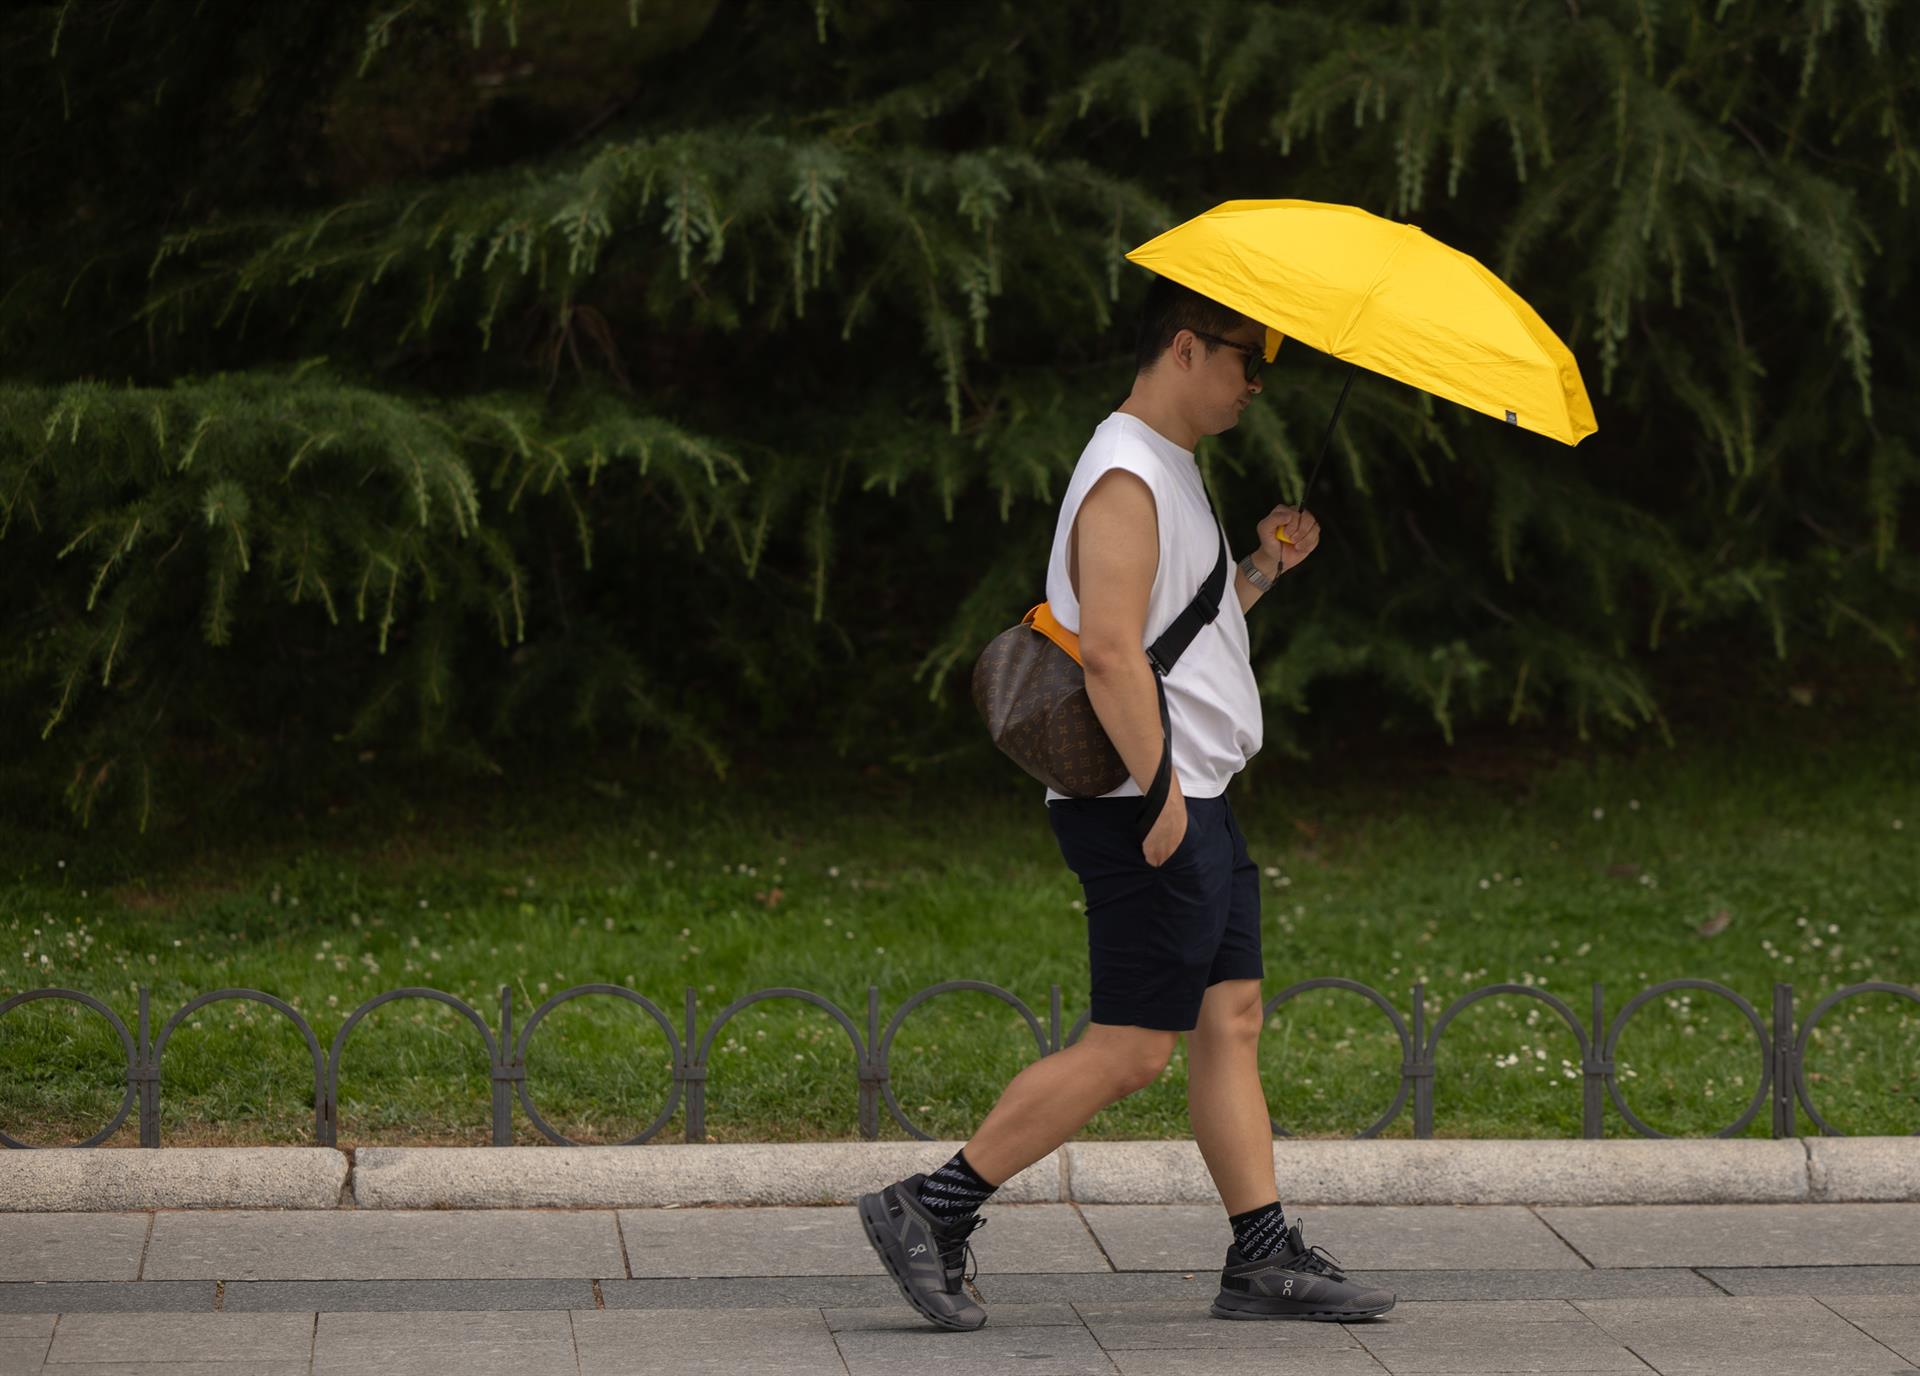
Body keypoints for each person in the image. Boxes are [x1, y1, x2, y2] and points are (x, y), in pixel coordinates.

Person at [857, 277, 1396, 1328]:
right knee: (1133, 1046)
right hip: (1149, 804)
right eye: (1248, 358)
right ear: (1187, 348)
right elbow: (1106, 653)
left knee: (1228, 1019)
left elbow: (1170, 632)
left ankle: (1261, 1253)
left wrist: (1259, 569)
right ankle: (932, 1205)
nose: (1256, 382)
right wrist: (1160, 798)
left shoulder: (1168, 470)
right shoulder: (1123, 473)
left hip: (1194, 792)